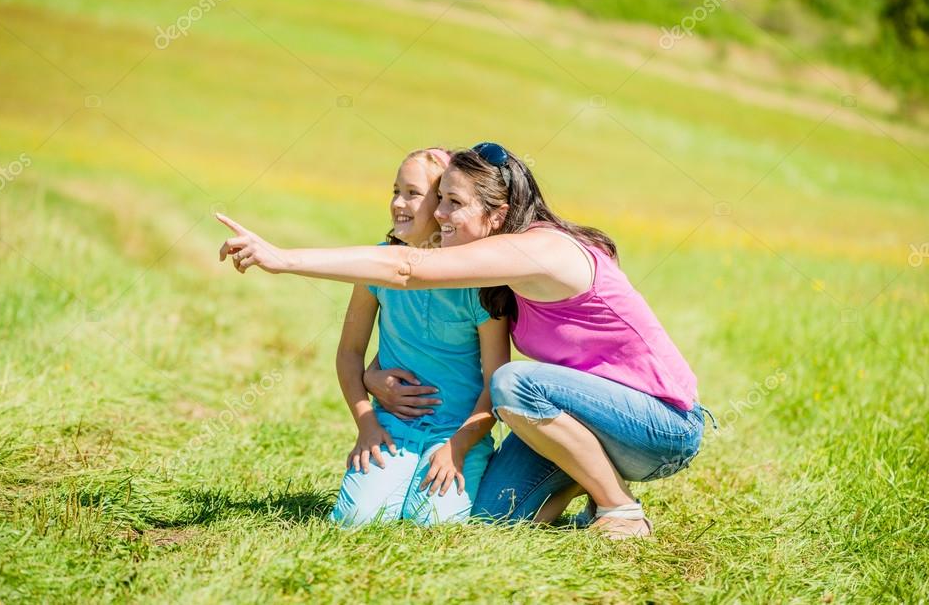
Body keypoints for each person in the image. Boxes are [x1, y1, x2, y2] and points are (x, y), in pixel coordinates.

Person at [217, 142, 717, 539]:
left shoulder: (539, 250)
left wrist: (282, 258)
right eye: (442, 199)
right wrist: (370, 375)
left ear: (496, 217)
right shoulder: (498, 268)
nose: (438, 214)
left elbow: (408, 268)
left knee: (515, 383)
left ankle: (619, 508)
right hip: (591, 418)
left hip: (661, 427)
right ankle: (587, 476)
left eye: (453, 203)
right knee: (495, 519)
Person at [303, 148, 510, 526]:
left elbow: (495, 382)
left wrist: (458, 447)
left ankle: (489, 470)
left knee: (432, 524)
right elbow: (350, 352)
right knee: (356, 521)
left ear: (443, 205)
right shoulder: (376, 267)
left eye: (413, 194)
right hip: (392, 426)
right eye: (395, 191)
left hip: (458, 433)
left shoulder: (480, 281)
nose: (398, 203)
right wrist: (366, 422)